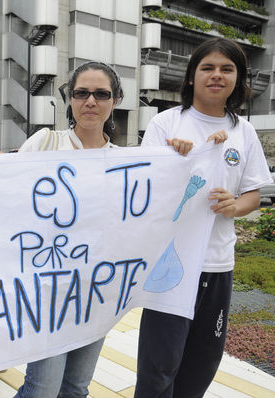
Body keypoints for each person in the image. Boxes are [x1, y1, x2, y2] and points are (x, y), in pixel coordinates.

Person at [135, 38, 273, 398]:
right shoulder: (166, 124)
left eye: (227, 69)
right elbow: (143, 190)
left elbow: (255, 194)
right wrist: (174, 159)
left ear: (239, 81)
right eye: (207, 67)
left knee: (202, 365)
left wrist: (235, 206)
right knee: (158, 369)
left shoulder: (243, 132)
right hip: (171, 265)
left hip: (217, 264)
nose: (217, 75)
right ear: (191, 77)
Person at [14, 61, 124, 398]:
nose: (91, 101)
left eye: (101, 94)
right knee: (42, 389)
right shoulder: (45, 143)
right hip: (49, 291)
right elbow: (2, 195)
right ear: (70, 99)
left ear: (115, 100)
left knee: (76, 388)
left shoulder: (127, 161)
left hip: (98, 293)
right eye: (81, 93)